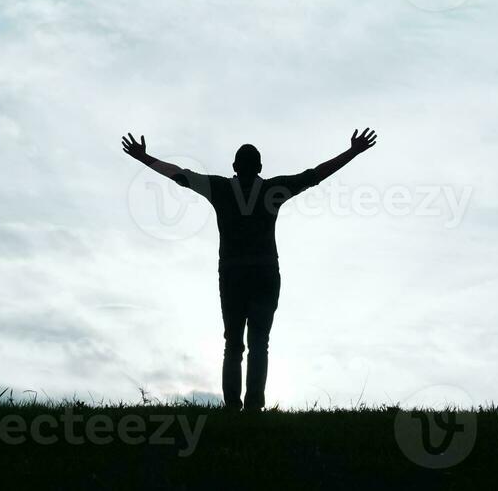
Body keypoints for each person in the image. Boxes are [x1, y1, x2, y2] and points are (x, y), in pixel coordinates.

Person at [121, 128, 379, 411]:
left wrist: (144, 158)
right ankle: (253, 406)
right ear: (259, 168)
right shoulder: (272, 190)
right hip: (265, 275)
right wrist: (352, 152)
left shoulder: (220, 188)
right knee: (258, 343)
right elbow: (314, 175)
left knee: (233, 343)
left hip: (233, 276)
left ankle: (233, 407)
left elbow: (180, 175)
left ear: (234, 167)